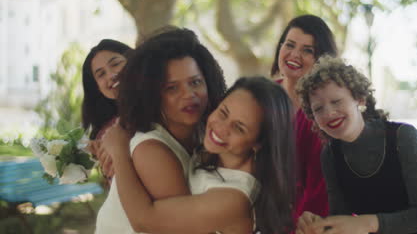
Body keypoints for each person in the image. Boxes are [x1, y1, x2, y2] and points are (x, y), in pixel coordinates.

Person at [103, 76, 296, 233]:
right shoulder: (213, 152)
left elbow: (145, 221)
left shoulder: (233, 198)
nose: (220, 128)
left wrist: (119, 151)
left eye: (238, 127)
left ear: (259, 143)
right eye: (223, 112)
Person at [95, 27, 227, 233]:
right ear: (153, 95)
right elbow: (187, 228)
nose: (189, 95)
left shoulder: (203, 129)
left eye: (195, 82)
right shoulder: (151, 149)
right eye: (172, 88)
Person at [295, 58, 417, 234]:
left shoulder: (403, 136)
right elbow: (341, 217)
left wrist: (366, 223)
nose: (329, 113)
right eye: (318, 109)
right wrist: (320, 225)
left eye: (336, 101)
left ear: (360, 99)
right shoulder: (330, 155)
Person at [271, 14, 338, 220]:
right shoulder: (260, 96)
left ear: (321, 60)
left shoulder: (324, 112)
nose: (294, 55)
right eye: (289, 45)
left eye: (307, 50)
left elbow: (320, 189)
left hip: (307, 219)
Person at [81, 39, 132, 179]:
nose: (111, 75)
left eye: (116, 64)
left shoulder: (165, 100)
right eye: (101, 74)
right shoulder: (105, 134)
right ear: (97, 88)